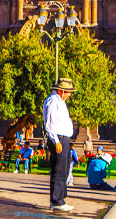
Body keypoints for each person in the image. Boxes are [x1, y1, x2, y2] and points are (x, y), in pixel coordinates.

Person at [43, 77, 76, 212]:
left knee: (64, 169)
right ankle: (57, 200)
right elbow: (49, 124)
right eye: (68, 92)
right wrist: (56, 141)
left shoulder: (60, 102)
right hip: (58, 138)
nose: (69, 95)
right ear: (62, 91)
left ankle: (60, 198)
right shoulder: (52, 101)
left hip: (64, 138)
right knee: (59, 170)